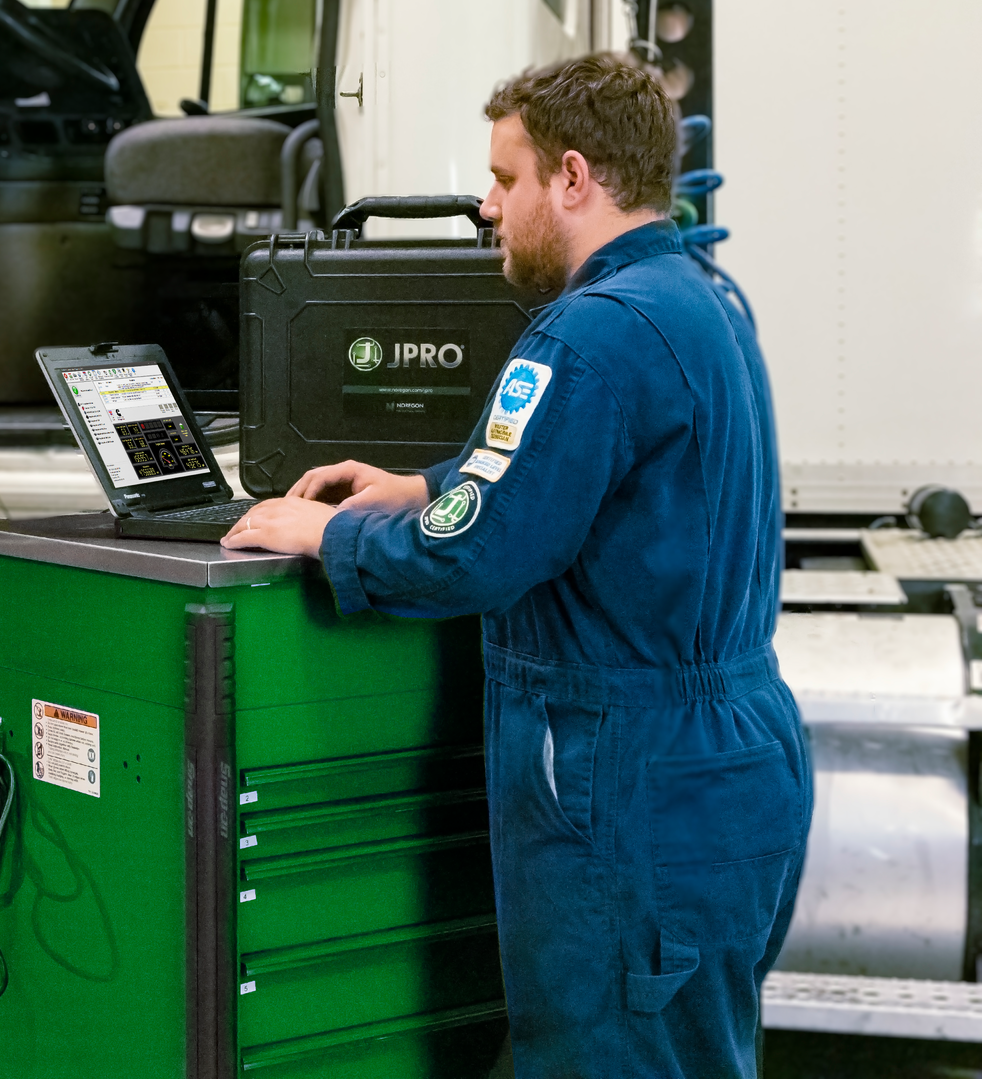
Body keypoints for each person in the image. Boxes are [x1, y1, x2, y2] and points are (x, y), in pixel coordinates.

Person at [223, 54, 811, 1079]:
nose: (490, 209)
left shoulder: (585, 337)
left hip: (626, 772)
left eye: (506, 180)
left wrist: (329, 534)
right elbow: (593, 480)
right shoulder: (704, 299)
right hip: (729, 759)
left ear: (573, 179)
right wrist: (422, 482)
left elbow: (478, 555)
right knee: (691, 1050)